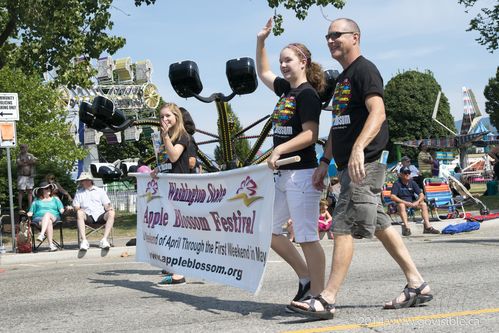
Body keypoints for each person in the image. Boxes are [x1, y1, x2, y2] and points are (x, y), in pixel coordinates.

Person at [290, 18, 433, 319]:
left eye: (336, 35)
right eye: (327, 36)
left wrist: (357, 148)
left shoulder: (364, 70)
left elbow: (378, 113)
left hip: (364, 164)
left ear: (355, 37)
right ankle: (417, 283)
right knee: (380, 223)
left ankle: (326, 298)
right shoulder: (343, 79)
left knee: (341, 224)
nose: (330, 40)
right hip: (346, 165)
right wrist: (325, 161)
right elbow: (338, 126)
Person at [256, 18, 326, 308]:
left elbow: (311, 134)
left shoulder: (307, 94)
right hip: (283, 175)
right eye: (281, 60)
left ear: (303, 62)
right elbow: (263, 72)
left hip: (302, 174)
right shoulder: (286, 90)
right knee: (269, 231)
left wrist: (278, 150)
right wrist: (262, 41)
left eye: (288, 60)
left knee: (308, 236)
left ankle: (320, 296)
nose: (283, 65)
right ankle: (306, 277)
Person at [151, 102, 192, 285]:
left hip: (181, 189)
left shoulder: (182, 135)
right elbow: (168, 161)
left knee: (178, 231)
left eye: (168, 116)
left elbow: (175, 156)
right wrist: (157, 168)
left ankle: (179, 273)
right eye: (162, 116)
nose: (164, 119)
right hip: (168, 189)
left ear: (177, 117)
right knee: (171, 230)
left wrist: (165, 136)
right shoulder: (165, 137)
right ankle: (175, 267)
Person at [390, 166, 440, 236]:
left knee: (423, 204)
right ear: (401, 174)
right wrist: (405, 202)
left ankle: (428, 227)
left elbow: (421, 195)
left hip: (411, 203)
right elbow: (392, 196)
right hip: (400, 204)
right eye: (405, 173)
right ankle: (407, 228)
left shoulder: (412, 182)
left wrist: (417, 202)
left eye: (408, 173)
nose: (407, 174)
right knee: (401, 205)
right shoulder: (397, 183)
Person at [73, 172, 115, 250]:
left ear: (90, 181)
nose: (83, 182)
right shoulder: (79, 193)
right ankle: (84, 241)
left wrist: (109, 207)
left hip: (100, 215)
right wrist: (78, 209)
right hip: (87, 216)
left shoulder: (100, 191)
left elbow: (106, 205)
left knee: (111, 213)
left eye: (85, 180)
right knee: (79, 213)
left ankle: (104, 239)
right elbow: (76, 206)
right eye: (82, 180)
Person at [27, 181, 65, 252]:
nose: (48, 189)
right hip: (39, 220)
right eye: (46, 188)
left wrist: (63, 210)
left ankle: (41, 234)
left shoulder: (55, 199)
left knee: (47, 214)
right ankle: (51, 245)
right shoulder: (36, 201)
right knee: (49, 222)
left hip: (54, 217)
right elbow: (31, 212)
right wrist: (29, 213)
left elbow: (61, 209)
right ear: (41, 191)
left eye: (49, 188)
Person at [17, 144, 37, 212]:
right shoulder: (19, 155)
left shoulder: (30, 155)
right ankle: (20, 208)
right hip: (22, 176)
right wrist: (28, 162)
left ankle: (30, 207)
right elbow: (19, 163)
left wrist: (25, 162)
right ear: (20, 148)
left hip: (30, 176)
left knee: (30, 191)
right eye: (22, 147)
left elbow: (34, 161)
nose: (24, 149)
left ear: (27, 148)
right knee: (21, 191)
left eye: (25, 147)